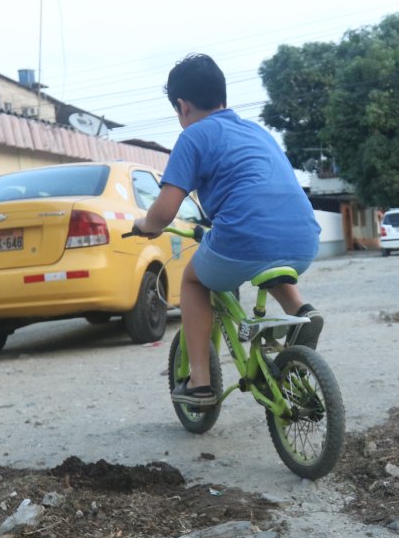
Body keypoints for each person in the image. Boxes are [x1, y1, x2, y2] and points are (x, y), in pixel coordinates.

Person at [133, 54, 323, 407]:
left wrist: (145, 226)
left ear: (181, 105)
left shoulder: (192, 138)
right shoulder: (256, 132)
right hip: (303, 238)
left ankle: (201, 383)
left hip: (243, 237)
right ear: (223, 97)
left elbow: (164, 212)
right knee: (267, 258)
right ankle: (303, 313)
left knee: (193, 281)